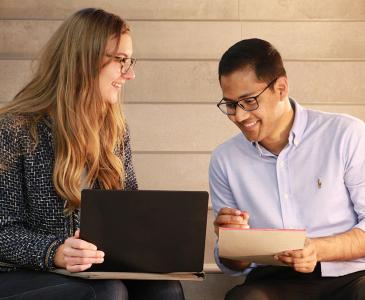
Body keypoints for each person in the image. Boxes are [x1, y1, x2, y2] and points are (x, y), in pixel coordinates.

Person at [0, 8, 185, 300]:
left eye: (130, 61)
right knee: (107, 292)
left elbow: (130, 210)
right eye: (121, 60)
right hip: (22, 274)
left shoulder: (115, 130)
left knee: (165, 289)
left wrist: (155, 244)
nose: (130, 74)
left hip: (93, 271)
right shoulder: (16, 128)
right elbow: (3, 231)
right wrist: (54, 252)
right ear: (84, 60)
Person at [209, 38, 365, 300]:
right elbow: (233, 266)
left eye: (248, 101)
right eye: (231, 104)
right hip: (272, 281)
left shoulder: (346, 135)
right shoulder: (225, 160)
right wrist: (230, 242)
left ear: (281, 88)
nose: (238, 116)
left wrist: (317, 249)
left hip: (350, 277)